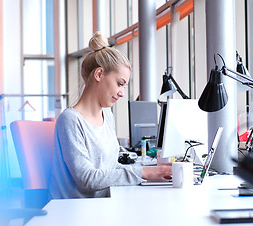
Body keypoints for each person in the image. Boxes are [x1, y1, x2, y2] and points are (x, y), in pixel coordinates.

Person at [49, 32, 172, 198]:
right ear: (99, 74)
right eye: (120, 84)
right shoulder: (70, 120)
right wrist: (144, 172)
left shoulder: (107, 115)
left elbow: (110, 167)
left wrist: (154, 169)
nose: (122, 93)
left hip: (103, 204)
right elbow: (86, 179)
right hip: (76, 211)